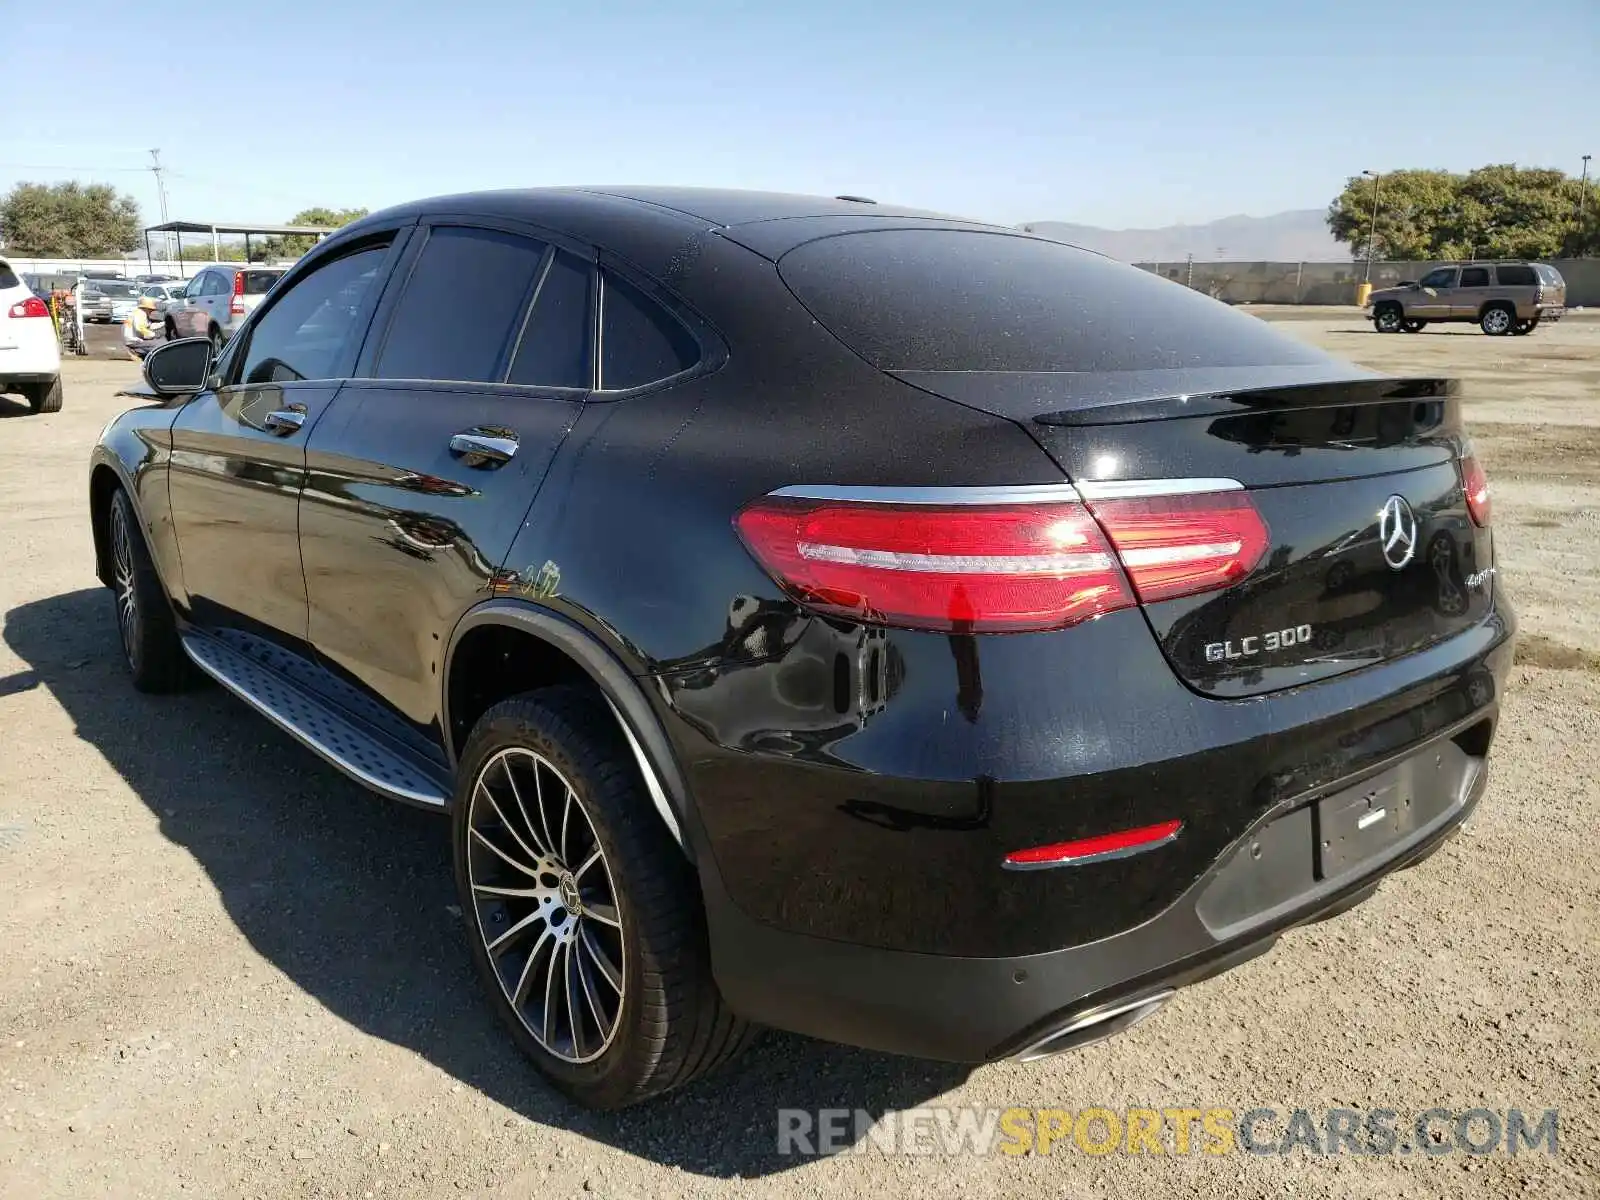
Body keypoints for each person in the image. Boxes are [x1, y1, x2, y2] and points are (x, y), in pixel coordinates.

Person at [123, 295, 165, 360]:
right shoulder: (141, 314)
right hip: (134, 340)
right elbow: (140, 328)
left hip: (130, 339)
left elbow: (148, 326)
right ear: (146, 308)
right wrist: (153, 335)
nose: (151, 311)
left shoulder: (137, 313)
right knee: (160, 345)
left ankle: (137, 350)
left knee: (156, 342)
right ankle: (136, 351)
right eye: (150, 310)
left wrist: (162, 324)